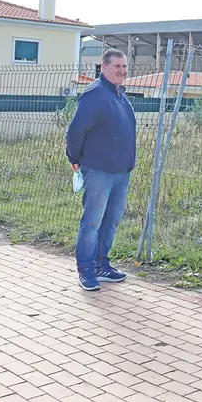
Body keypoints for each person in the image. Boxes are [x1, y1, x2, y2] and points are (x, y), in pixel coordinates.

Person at [65, 48, 137, 291]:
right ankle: (86, 270)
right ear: (103, 67)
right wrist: (74, 157)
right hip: (98, 170)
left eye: (125, 67)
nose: (122, 71)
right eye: (117, 66)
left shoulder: (120, 95)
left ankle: (102, 265)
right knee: (92, 222)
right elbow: (76, 130)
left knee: (111, 221)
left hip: (121, 172)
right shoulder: (95, 94)